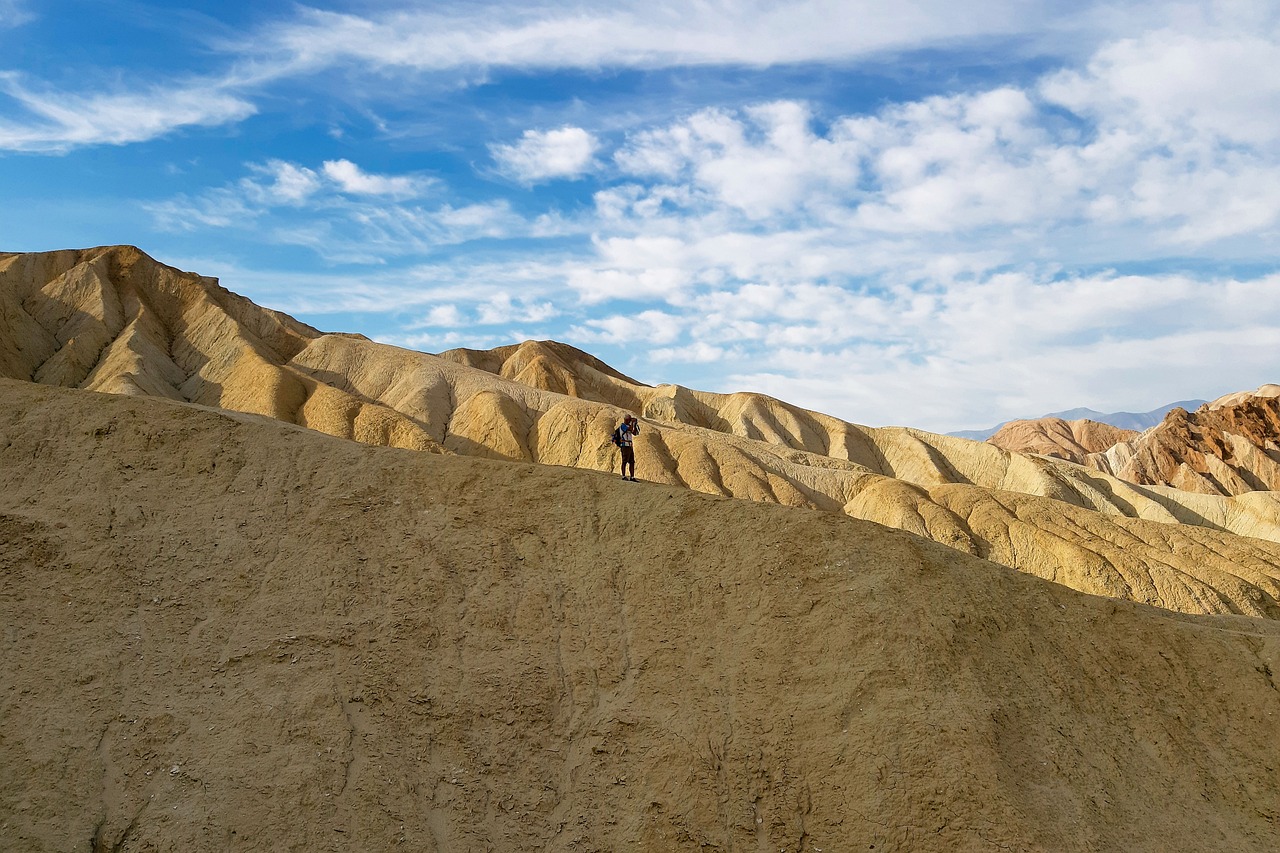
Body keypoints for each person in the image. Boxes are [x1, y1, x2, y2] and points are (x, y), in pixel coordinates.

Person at [615, 414, 640, 481]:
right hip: (624, 445)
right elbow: (630, 429)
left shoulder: (629, 426)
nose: (630, 421)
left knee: (632, 462)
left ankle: (632, 477)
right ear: (626, 420)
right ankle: (623, 476)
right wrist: (632, 423)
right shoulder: (622, 426)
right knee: (624, 461)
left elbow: (635, 433)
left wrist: (634, 424)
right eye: (629, 419)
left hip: (629, 445)